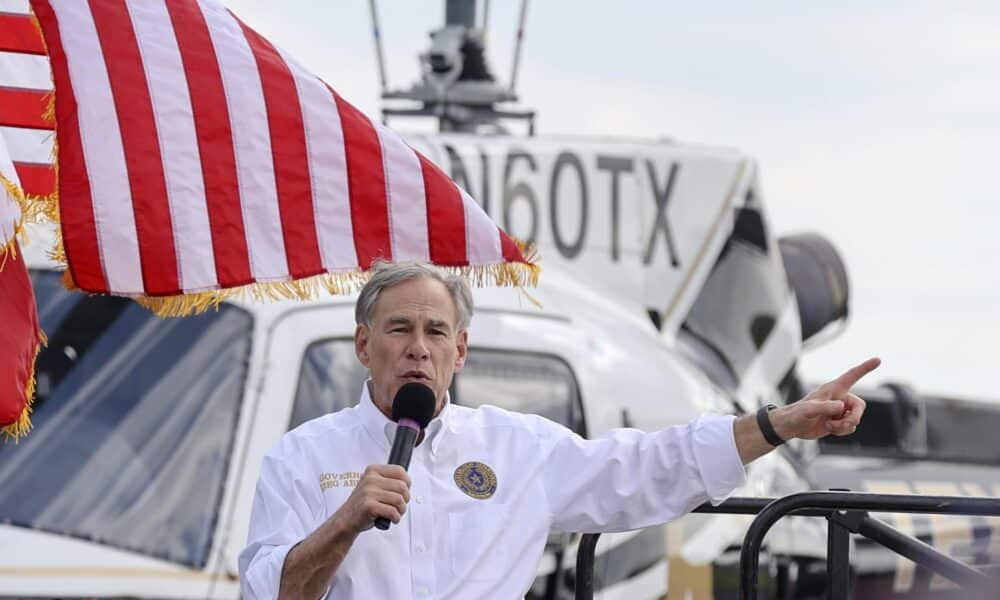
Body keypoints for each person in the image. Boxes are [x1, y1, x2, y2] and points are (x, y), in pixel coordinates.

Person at [238, 261, 879, 599]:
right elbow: (272, 595)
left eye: (435, 332)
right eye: (399, 329)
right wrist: (344, 522)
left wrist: (778, 423)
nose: (417, 348)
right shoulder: (300, 458)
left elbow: (649, 468)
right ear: (362, 344)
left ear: (460, 352)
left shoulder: (517, 449)